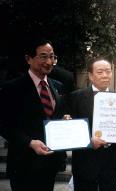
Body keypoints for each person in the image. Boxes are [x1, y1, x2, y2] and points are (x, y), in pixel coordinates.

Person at [0, 37, 66, 191]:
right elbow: (4, 126)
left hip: (50, 164)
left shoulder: (58, 86)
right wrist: (30, 143)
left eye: (52, 57)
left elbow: (54, 117)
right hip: (24, 164)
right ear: (28, 59)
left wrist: (64, 121)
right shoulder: (13, 88)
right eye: (43, 56)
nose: (49, 62)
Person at [66, 59, 116, 191]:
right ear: (91, 75)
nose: (105, 75)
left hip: (112, 161)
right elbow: (71, 130)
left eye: (108, 71)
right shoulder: (76, 98)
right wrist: (89, 141)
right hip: (86, 161)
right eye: (100, 72)